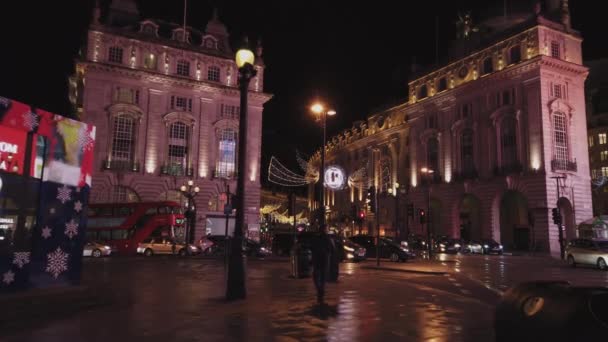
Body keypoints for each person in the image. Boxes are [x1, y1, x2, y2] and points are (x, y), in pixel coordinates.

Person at [311, 224, 334, 305]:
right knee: (323, 276)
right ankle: (321, 290)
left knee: (316, 275)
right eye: (327, 229)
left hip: (317, 259)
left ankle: (319, 289)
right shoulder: (328, 239)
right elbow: (332, 249)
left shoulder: (315, 238)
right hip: (324, 259)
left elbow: (312, 247)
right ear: (325, 230)